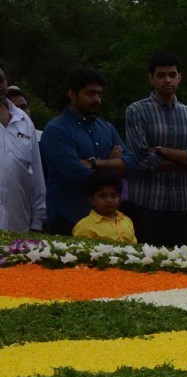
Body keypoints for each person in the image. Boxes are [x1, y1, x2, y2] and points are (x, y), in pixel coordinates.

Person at [123, 51, 187, 247]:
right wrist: (184, 160)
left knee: (182, 269)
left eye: (172, 75)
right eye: (161, 75)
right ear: (151, 78)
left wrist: (161, 150)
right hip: (147, 205)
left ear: (180, 77)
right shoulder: (136, 111)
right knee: (144, 269)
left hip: (185, 206)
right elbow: (143, 160)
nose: (167, 80)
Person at [40, 67, 135, 235]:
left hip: (106, 224)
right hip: (68, 219)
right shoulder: (57, 130)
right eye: (90, 94)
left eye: (99, 94)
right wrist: (113, 166)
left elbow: (131, 163)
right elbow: (74, 172)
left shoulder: (106, 128)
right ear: (72, 94)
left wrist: (93, 163)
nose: (96, 99)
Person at [0, 65, 45, 232]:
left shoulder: (24, 121)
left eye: (1, 80)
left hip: (18, 226)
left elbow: (36, 174)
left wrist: (38, 220)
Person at [72, 169, 137, 244]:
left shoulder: (126, 220)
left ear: (120, 198)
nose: (109, 200)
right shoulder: (84, 227)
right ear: (92, 200)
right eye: (102, 196)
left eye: (114, 196)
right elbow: (81, 254)